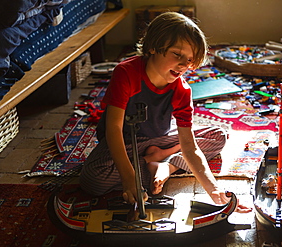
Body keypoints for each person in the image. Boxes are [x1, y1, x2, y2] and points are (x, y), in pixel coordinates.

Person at [79, 12, 251, 213]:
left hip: (160, 138)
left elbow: (189, 146)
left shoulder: (182, 90)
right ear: (153, 47)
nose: (183, 65)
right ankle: (154, 162)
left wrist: (214, 190)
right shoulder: (125, 73)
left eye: (189, 60)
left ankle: (166, 164)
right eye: (177, 55)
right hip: (125, 142)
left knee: (217, 135)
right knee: (92, 180)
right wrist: (128, 179)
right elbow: (113, 129)